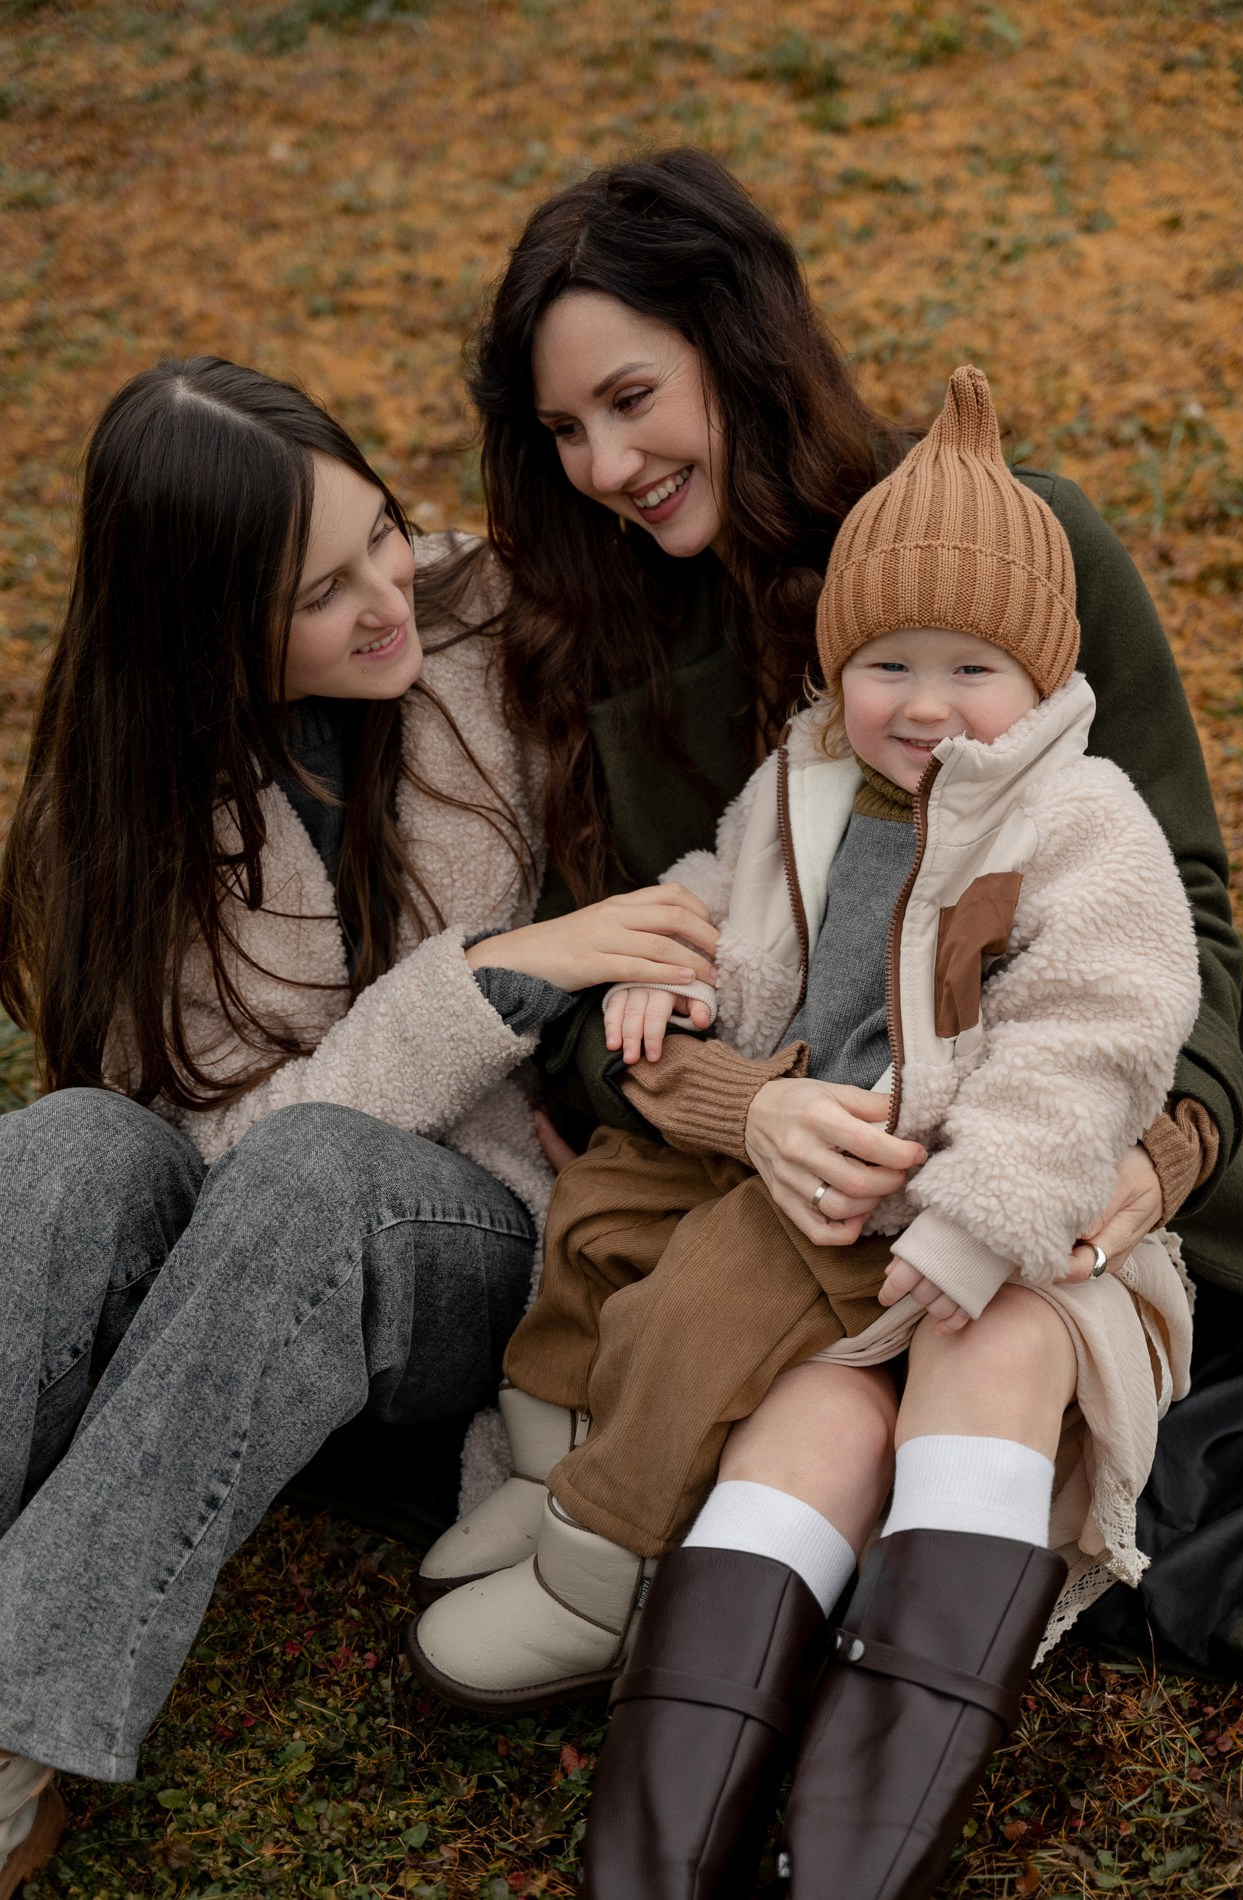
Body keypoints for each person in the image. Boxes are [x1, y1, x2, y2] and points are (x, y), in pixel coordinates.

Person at [407, 366, 1202, 1894]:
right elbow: (724, 886)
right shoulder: (812, 774)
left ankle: (618, 1581)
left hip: (962, 1212)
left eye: (972, 668)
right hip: (813, 1168)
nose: (924, 704)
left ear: (1041, 681)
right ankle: (650, 1826)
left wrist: (982, 1224)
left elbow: (1088, 1045)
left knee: (709, 1309)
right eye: (888, 663)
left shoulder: (1081, 826)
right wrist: (675, 974)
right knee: (611, 1231)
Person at [0, 355, 721, 1894]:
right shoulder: (116, 809)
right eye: (321, 594)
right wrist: (491, 977)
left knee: (322, 1171)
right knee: (62, 1145)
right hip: (245, 1259)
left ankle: (12, 1732)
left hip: (493, 1253)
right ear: (201, 628)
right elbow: (199, 1159)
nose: (389, 594)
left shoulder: (489, 629)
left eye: (380, 533)